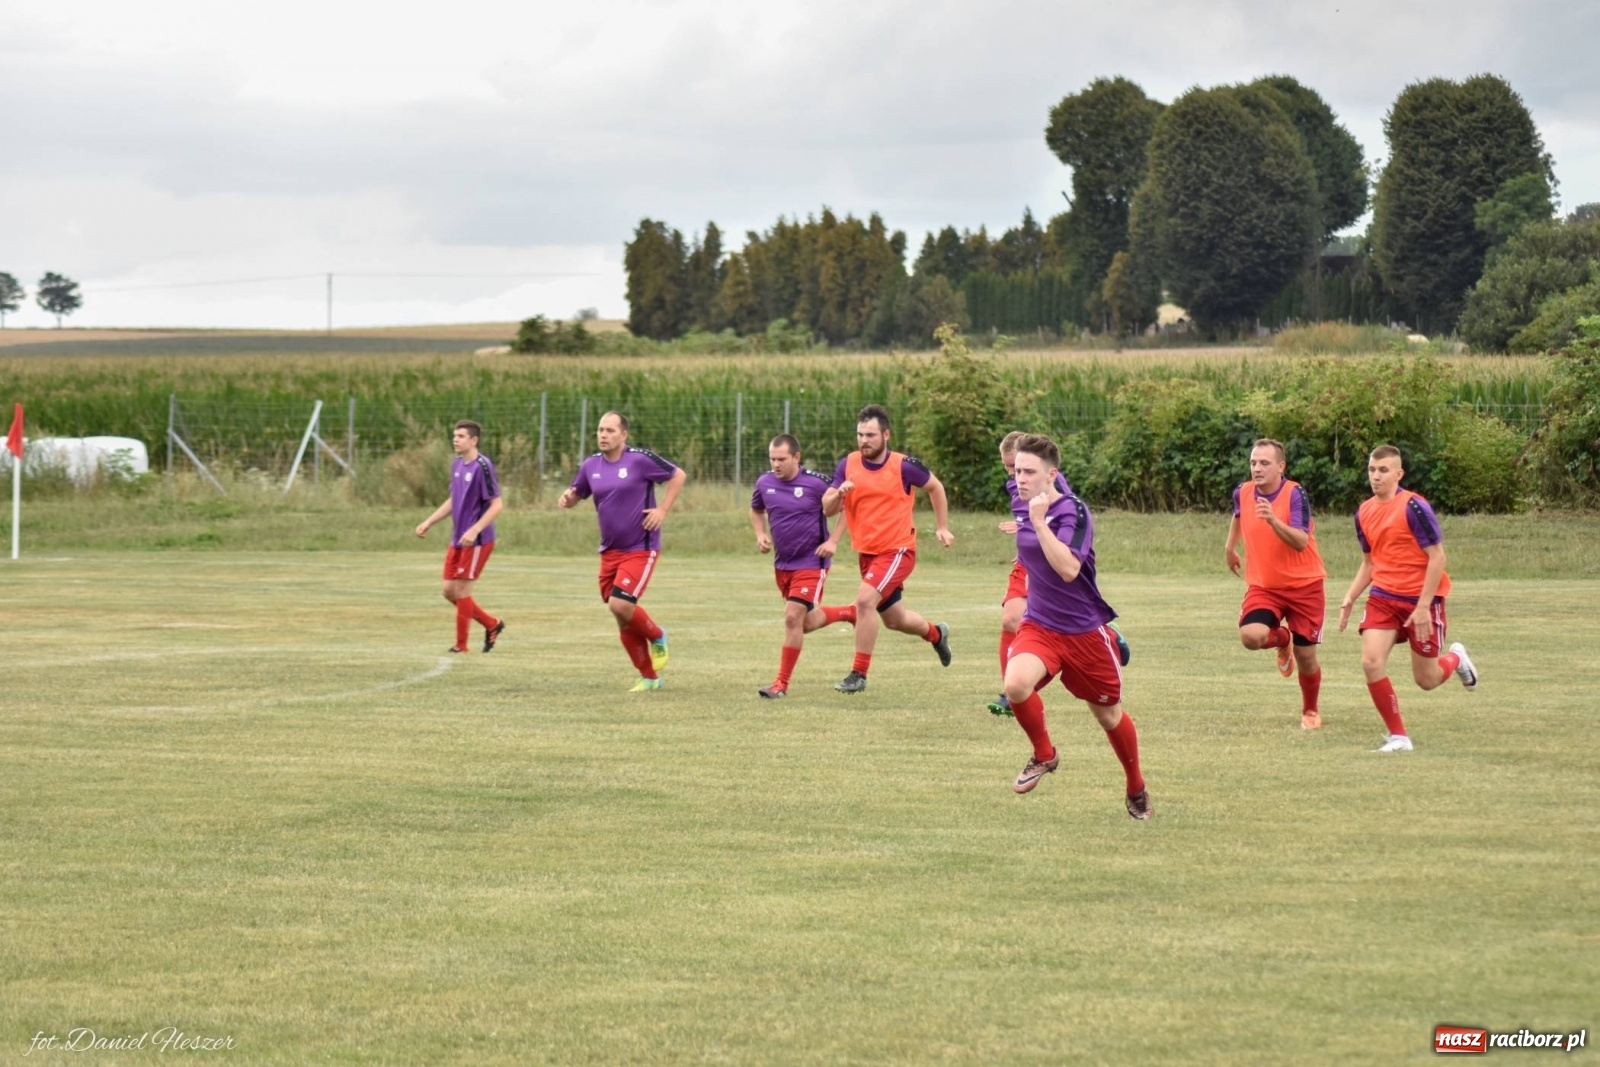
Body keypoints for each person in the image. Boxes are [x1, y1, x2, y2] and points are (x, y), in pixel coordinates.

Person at [1000, 434, 1149, 818]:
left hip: (1084, 631)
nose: (1020, 479)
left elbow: (1068, 569)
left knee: (1108, 716)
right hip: (1041, 625)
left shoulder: (1074, 511)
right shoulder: (1021, 499)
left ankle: (1136, 787)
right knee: (1015, 685)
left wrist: (1037, 523)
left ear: (1052, 475)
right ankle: (1044, 754)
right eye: (1017, 471)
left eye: (1029, 472)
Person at [1337, 445, 1479, 752]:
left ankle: (1456, 658)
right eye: (1372, 470)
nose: (1376, 476)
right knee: (1370, 662)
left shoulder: (1414, 507)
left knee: (1426, 679)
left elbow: (1437, 558)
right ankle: (1399, 737)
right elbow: (1370, 563)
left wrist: (1424, 606)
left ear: (1398, 474)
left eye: (1383, 470)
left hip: (1421, 600)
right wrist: (1350, 596)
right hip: (1383, 597)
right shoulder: (1363, 512)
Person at [988, 431, 1126, 717]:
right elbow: (1026, 518)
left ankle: (1104, 633)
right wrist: (1023, 532)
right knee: (1010, 618)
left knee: (1107, 713)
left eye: (1020, 468)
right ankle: (1009, 693)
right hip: (1029, 558)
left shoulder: (1054, 485)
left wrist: (1041, 528)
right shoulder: (1014, 488)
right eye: (1008, 469)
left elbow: (1066, 517)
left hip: (1053, 552)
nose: (1015, 475)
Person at [820, 404, 953, 694]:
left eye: (870, 435)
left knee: (865, 601)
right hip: (867, 554)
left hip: (898, 551)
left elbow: (936, 488)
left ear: (886, 435)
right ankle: (936, 634)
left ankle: (858, 674)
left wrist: (941, 526)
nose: (863, 440)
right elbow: (828, 507)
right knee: (895, 620)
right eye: (859, 435)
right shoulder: (847, 465)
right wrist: (838, 495)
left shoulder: (904, 466)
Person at [558, 411, 687, 692]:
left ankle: (657, 635)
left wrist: (662, 509)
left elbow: (678, 475)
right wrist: (568, 499)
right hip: (609, 551)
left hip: (640, 547)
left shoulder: (640, 460)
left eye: (610, 430)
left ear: (623, 435)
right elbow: (577, 492)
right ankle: (650, 678)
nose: (603, 435)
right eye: (600, 430)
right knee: (621, 615)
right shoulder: (591, 465)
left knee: (621, 605)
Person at [1224, 438, 1328, 730]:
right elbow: (1238, 515)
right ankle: (1282, 639)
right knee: (1251, 637)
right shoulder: (1243, 492)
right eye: (1253, 463)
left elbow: (1300, 541)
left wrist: (1272, 521)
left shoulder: (1295, 494)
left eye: (1264, 463)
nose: (1257, 468)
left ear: (1280, 467)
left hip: (1305, 587)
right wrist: (1230, 547)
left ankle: (1310, 710)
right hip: (1265, 586)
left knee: (1306, 657)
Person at [748, 434, 858, 698]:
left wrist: (832, 540)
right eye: (772, 459)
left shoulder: (816, 483)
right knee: (802, 623)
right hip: (783, 565)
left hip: (811, 563)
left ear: (796, 457)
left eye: (781, 459)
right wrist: (760, 535)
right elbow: (756, 509)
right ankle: (848, 613)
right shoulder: (764, 482)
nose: (776, 464)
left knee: (791, 617)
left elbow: (846, 508)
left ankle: (780, 685)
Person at [414, 420, 505, 654]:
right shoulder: (457, 465)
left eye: (461, 436)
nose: (456, 439)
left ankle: (461, 646)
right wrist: (429, 522)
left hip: (477, 540)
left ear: (473, 440)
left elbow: (497, 505)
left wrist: (475, 529)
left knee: (462, 592)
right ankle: (491, 624)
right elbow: (454, 501)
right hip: (458, 538)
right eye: (454, 435)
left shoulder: (483, 466)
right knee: (448, 591)